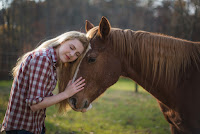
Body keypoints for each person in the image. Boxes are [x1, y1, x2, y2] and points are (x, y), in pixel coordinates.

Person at [1, 31, 90, 134]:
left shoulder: (52, 62)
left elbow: (42, 97)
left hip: (33, 127)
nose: (71, 54)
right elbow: (35, 104)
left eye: (77, 54)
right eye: (71, 47)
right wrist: (65, 94)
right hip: (21, 128)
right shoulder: (42, 59)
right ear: (63, 41)